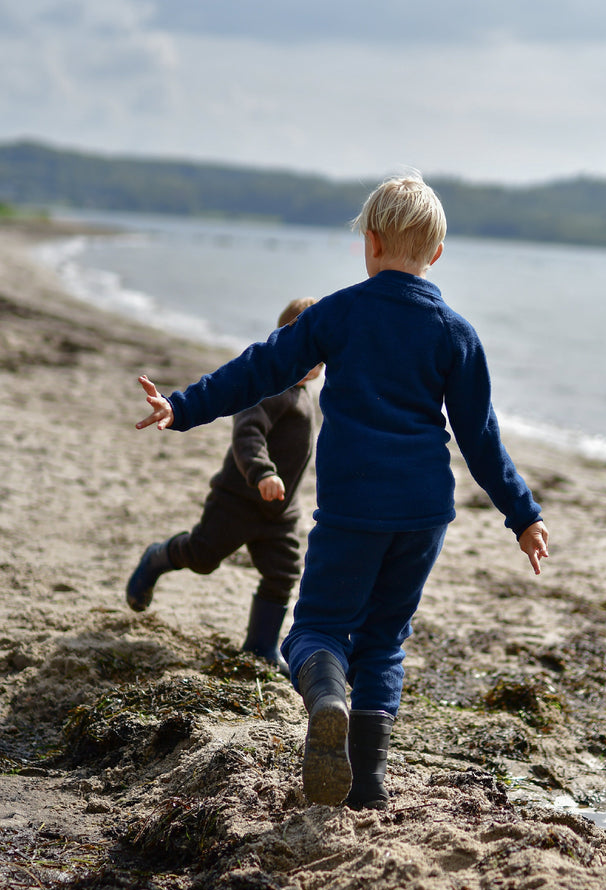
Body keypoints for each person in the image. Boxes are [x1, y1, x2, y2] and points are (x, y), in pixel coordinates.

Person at [134, 175, 549, 811]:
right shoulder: (455, 333)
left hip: (354, 505)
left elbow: (261, 367)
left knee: (317, 631)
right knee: (385, 639)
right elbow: (481, 438)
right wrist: (522, 514)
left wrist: (183, 406)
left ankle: (327, 698)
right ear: (435, 254)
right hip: (423, 513)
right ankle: (369, 784)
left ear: (371, 242)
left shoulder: (340, 312)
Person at [126, 297, 323, 677]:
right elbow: (247, 433)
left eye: (317, 361)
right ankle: (157, 557)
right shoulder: (267, 389)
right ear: (281, 343)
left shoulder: (303, 395)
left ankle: (261, 644)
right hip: (239, 500)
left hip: (280, 512)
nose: (310, 367)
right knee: (202, 557)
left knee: (283, 574)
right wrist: (263, 473)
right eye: (302, 356)